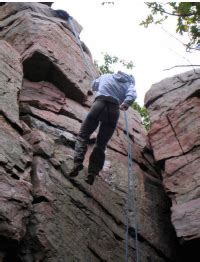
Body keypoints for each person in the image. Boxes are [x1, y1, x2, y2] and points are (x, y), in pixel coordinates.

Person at [69, 71, 137, 185]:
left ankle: (77, 161)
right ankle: (92, 173)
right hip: (114, 110)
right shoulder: (129, 84)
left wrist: (99, 80)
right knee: (101, 144)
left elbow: (94, 85)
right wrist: (125, 104)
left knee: (83, 135)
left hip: (98, 105)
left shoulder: (106, 76)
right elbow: (132, 95)